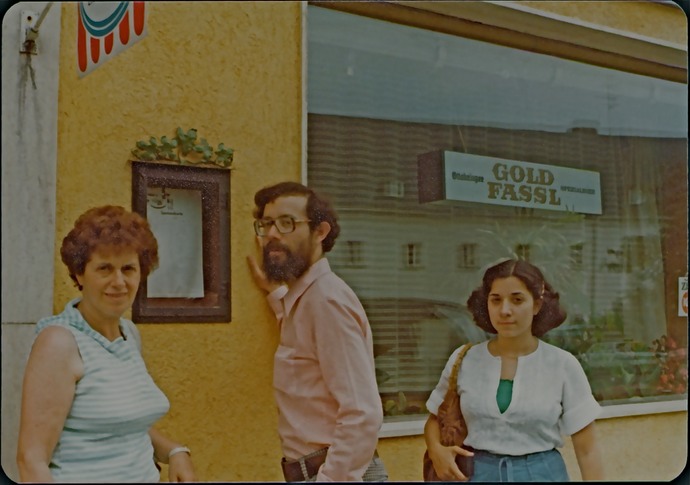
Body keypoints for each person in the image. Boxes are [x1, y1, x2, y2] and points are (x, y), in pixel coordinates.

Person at [17, 205, 196, 483]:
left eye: (128, 269)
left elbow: (122, 426)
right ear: (79, 274)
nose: (119, 282)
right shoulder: (59, 343)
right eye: (104, 268)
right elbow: (32, 460)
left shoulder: (128, 334)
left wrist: (175, 451)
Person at [246, 181, 387, 482]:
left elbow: (363, 413)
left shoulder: (326, 301)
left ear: (320, 232)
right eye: (267, 224)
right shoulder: (306, 298)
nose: (272, 234)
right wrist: (276, 294)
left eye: (287, 223)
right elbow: (304, 348)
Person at [424, 259, 603, 482]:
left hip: (541, 474)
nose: (505, 310)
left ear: (537, 305)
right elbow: (434, 419)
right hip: (476, 474)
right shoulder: (465, 359)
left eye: (517, 300)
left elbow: (588, 450)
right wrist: (436, 451)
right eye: (496, 300)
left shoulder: (562, 364)